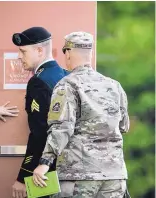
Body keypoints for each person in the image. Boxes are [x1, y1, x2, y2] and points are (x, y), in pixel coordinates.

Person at [33, 31, 130, 198]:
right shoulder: (114, 86)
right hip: (115, 176)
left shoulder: (67, 85)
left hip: (79, 176)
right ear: (90, 53)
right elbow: (123, 127)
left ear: (68, 53)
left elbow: (61, 128)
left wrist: (44, 163)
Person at [11, 27, 69, 198]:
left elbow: (40, 133)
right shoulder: (65, 75)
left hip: (45, 173)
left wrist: (23, 176)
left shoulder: (39, 82)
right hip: (70, 170)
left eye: (23, 51)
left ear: (39, 50)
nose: (19, 56)